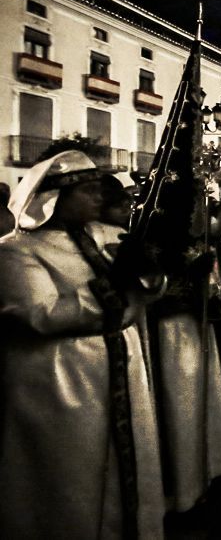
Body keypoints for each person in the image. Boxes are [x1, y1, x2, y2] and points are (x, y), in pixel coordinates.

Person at [0, 151, 165, 538]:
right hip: (60, 379)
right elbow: (41, 314)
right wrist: (116, 287)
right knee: (70, 469)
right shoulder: (15, 250)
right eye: (89, 191)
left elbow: (145, 294)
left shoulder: (106, 235)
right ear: (55, 197)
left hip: (121, 363)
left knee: (128, 462)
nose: (99, 199)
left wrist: (152, 274)